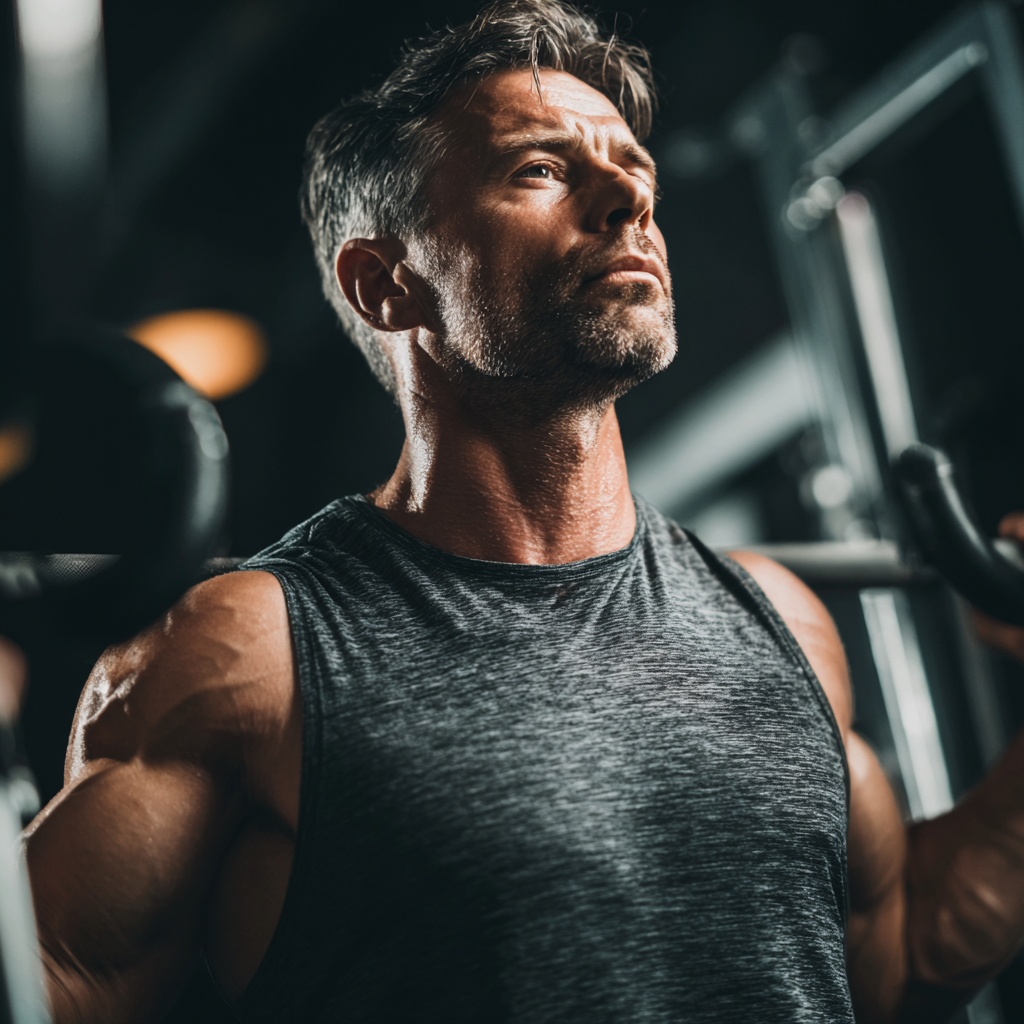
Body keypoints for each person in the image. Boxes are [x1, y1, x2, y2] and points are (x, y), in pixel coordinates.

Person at [21, 2, 1024, 1021]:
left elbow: (894, 960)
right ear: (385, 285)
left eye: (634, 169)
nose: (629, 198)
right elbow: (50, 978)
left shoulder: (781, 620)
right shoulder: (251, 652)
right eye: (541, 169)